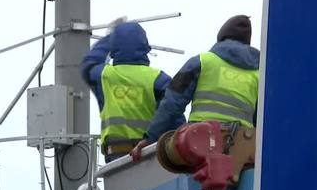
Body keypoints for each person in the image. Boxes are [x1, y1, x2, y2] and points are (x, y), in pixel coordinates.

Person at [131, 15, 259, 158]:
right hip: (241, 147)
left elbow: (172, 103)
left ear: (221, 36)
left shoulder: (201, 62)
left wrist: (150, 138)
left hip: (200, 142)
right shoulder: (260, 74)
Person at [80, 19, 184, 162]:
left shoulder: (104, 76)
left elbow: (89, 63)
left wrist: (109, 38)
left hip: (116, 156)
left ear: (114, 49)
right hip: (152, 153)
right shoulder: (159, 78)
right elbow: (173, 117)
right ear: (146, 47)